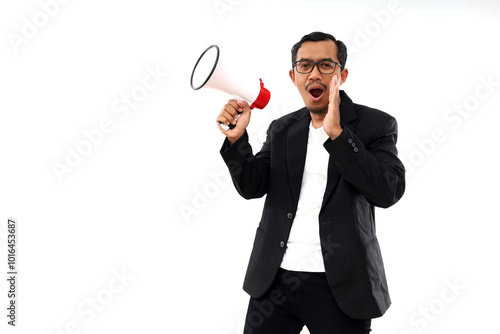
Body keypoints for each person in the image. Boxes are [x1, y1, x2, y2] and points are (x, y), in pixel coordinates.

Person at [216, 31, 405, 334]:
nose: (314, 73)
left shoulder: (377, 125)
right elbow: (253, 187)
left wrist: (339, 135)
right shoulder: (283, 128)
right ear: (293, 76)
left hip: (341, 286)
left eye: (325, 65)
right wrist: (237, 140)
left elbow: (387, 192)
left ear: (342, 74)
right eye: (305, 66)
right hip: (275, 280)